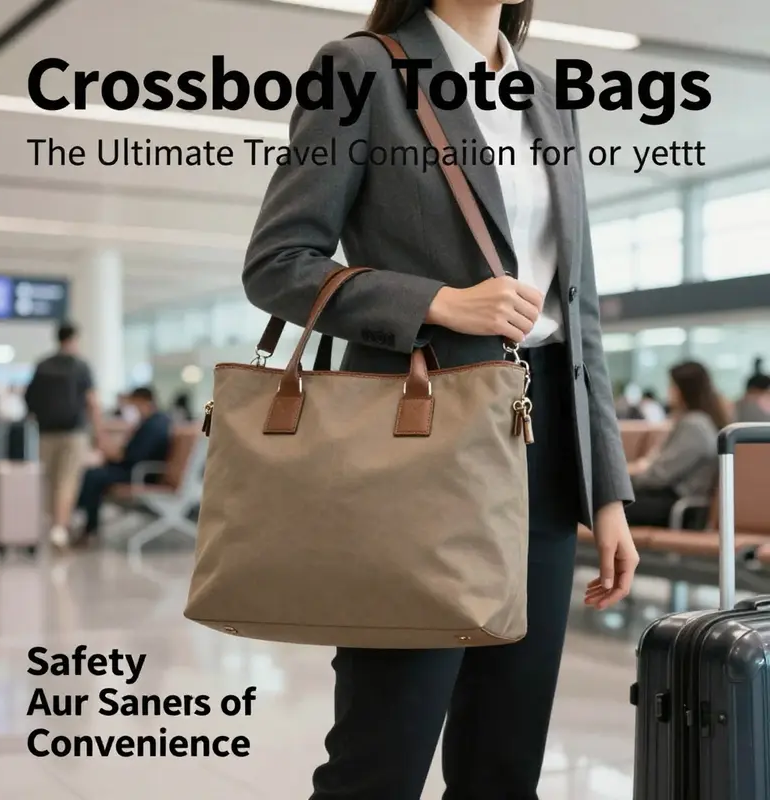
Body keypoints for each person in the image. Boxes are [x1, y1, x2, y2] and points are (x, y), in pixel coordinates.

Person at [241, 2, 639, 797]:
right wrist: (439, 302)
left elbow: (579, 309)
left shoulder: (548, 98)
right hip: (418, 442)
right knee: (383, 755)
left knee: (505, 761)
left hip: (544, 447)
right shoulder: (361, 70)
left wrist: (610, 494)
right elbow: (278, 263)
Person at [25, 322, 101, 548]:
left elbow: (29, 400)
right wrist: (98, 434)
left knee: (48, 479)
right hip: (73, 432)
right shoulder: (80, 366)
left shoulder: (42, 365)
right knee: (67, 481)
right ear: (75, 339)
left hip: (46, 432)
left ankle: (51, 524)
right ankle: (60, 528)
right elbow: (92, 402)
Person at [627, 362, 728, 527]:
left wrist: (624, 480)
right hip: (669, 500)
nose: (669, 391)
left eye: (672, 386)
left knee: (606, 507)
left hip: (677, 505)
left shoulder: (695, 425)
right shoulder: (696, 422)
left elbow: (659, 475)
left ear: (684, 390)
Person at [75, 386, 171, 543]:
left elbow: (135, 455)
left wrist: (114, 455)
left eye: (134, 403)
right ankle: (87, 523)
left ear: (143, 401)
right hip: (136, 469)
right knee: (94, 473)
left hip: (141, 474)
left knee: (93, 476)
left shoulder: (154, 424)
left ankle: (89, 526)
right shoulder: (152, 421)